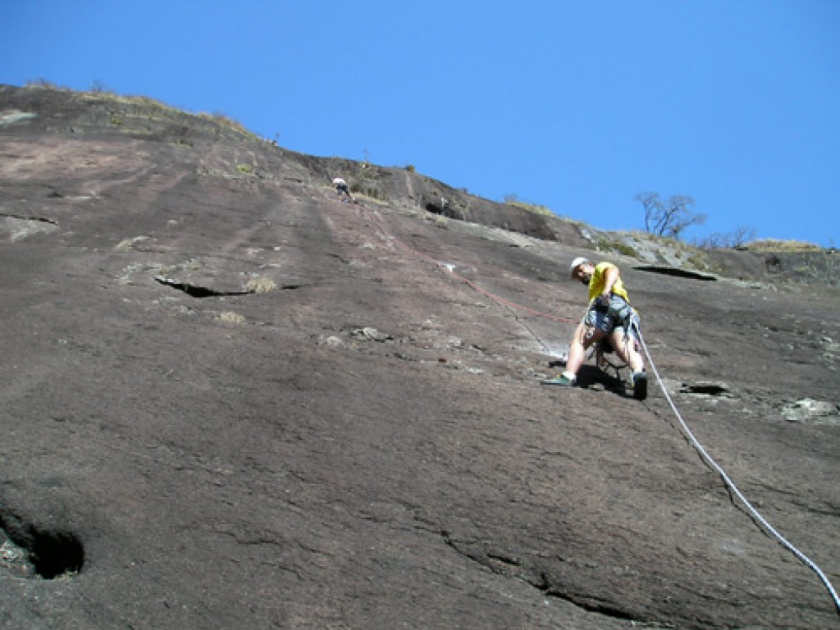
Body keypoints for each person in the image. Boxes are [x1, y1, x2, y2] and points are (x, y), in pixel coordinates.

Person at [542, 257, 648, 400]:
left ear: (590, 265)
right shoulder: (596, 284)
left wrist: (606, 290)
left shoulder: (600, 269)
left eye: (580, 270)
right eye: (577, 276)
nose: (580, 276)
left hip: (604, 305)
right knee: (624, 348)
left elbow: (612, 270)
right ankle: (637, 373)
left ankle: (568, 376)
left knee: (579, 342)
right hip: (625, 312)